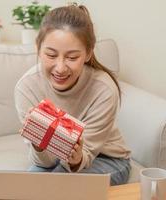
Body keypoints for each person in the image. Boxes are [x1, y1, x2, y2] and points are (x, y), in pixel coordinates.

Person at [14, 4, 131, 185]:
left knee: (52, 186)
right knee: (27, 185)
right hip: (56, 161)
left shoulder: (104, 89)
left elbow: (85, 156)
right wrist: (39, 145)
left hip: (107, 159)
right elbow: (44, 163)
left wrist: (75, 158)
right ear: (38, 48)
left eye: (72, 57)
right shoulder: (27, 87)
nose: (60, 68)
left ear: (88, 53)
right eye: (51, 55)